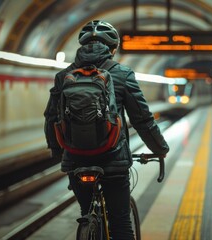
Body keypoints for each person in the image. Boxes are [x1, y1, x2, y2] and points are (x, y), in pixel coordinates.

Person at [44, 20, 169, 239]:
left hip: (75, 161)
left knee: (86, 212)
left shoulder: (64, 76)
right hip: (113, 161)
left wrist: (58, 152)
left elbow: (51, 117)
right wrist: (160, 148)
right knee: (120, 221)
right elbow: (142, 119)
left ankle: (88, 227)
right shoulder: (122, 74)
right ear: (112, 49)